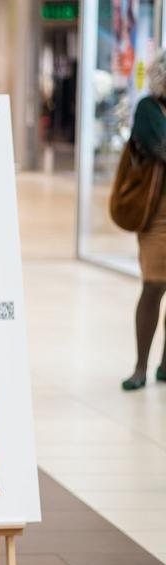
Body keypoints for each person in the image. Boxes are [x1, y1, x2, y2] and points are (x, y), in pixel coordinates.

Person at [122, 51, 166, 390]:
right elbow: (160, 147)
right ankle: (140, 367)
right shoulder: (149, 108)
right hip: (157, 212)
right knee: (153, 284)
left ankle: (165, 364)